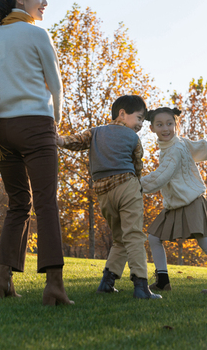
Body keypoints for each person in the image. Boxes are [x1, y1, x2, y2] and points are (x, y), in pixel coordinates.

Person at [0, 0, 72, 306]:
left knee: (18, 203)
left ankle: (2, 279)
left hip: (1, 129)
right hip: (36, 125)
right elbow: (56, 85)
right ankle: (54, 286)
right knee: (46, 202)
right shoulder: (37, 33)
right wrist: (55, 123)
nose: (45, 2)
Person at [57, 95, 161, 299]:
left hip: (104, 194)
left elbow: (76, 141)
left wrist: (59, 140)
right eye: (139, 118)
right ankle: (141, 286)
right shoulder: (134, 139)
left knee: (119, 239)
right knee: (133, 236)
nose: (140, 124)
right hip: (127, 187)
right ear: (122, 114)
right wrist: (137, 187)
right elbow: (137, 165)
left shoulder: (95, 132)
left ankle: (107, 282)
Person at [141, 107, 207, 296]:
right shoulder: (178, 144)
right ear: (152, 128)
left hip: (191, 201)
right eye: (160, 125)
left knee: (204, 240)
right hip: (175, 204)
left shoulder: (176, 148)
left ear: (176, 124)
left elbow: (162, 175)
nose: (166, 128)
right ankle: (162, 281)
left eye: (169, 123)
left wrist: (134, 185)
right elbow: (204, 148)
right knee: (154, 237)